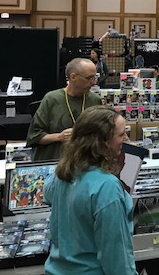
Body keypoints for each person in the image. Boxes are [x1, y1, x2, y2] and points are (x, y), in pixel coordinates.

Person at [44, 106, 136, 275]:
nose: (126, 138)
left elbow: (47, 194)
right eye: (121, 134)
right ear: (102, 141)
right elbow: (116, 259)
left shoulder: (63, 173)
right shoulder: (107, 187)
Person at [27, 58, 102, 161]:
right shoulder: (52, 99)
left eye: (95, 77)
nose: (94, 82)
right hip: (56, 162)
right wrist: (59, 137)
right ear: (73, 77)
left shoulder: (95, 100)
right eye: (89, 78)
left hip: (85, 162)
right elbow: (34, 136)